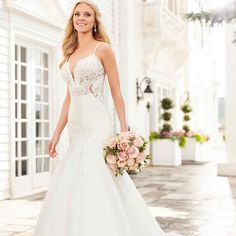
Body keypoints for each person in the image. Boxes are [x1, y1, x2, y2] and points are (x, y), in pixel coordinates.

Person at [33, 1, 180, 235]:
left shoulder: (103, 49)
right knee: (74, 175)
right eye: (77, 14)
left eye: (87, 14)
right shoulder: (69, 52)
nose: (81, 18)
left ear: (95, 20)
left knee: (97, 174)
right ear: (72, 19)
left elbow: (117, 92)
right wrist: (57, 132)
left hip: (96, 121)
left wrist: (124, 132)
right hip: (76, 125)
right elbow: (68, 98)